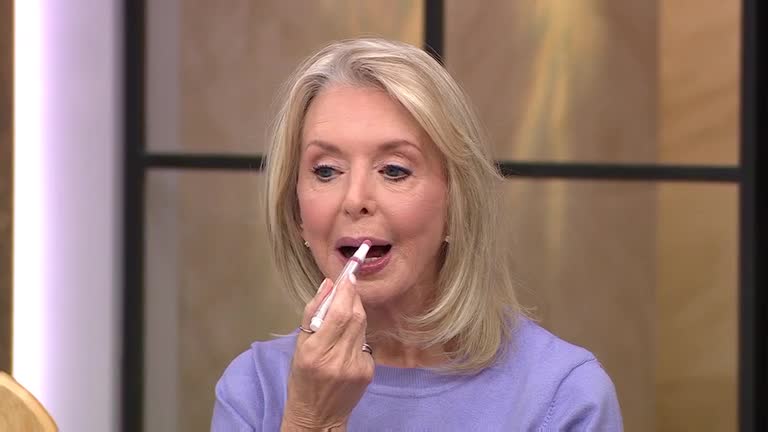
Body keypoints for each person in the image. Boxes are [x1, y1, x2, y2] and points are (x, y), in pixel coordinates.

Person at [211, 37, 623, 431]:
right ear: (296, 211)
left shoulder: (563, 395)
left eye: (394, 170)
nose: (355, 199)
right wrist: (310, 421)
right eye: (326, 171)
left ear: (455, 202)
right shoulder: (253, 391)